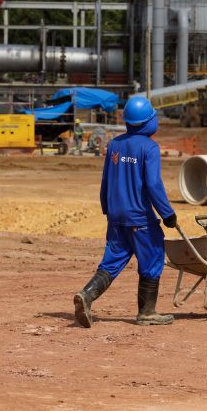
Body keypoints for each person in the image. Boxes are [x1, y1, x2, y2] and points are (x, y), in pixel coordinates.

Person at [73, 97, 178, 328]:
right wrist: (167, 213)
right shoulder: (149, 147)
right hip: (140, 217)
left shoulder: (115, 145)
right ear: (149, 121)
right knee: (152, 257)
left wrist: (106, 208)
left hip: (116, 216)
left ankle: (86, 296)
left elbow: (106, 181)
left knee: (112, 261)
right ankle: (147, 313)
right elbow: (153, 185)